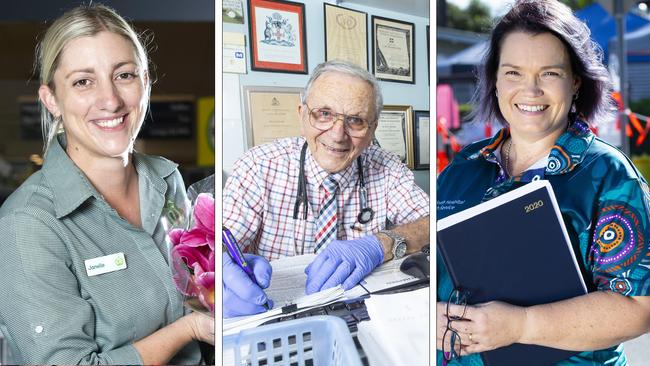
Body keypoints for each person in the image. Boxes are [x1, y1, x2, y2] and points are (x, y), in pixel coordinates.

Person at [436, 0, 650, 364]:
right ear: (495, 80)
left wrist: (522, 325)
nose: (530, 90)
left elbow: (639, 306)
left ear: (576, 81)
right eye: (514, 73)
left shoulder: (609, 175)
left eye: (549, 73)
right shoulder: (463, 166)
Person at [0, 5, 213, 365]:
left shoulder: (168, 182)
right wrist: (189, 329)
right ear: (51, 99)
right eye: (83, 81)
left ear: (145, 81)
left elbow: (194, 287)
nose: (110, 100)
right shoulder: (28, 224)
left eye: (124, 75)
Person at [222, 60, 430, 318]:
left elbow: (434, 223)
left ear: (372, 128)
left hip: (363, 315)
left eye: (355, 120)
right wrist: (220, 272)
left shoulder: (388, 167)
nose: (337, 134)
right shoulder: (256, 166)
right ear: (302, 115)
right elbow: (218, 246)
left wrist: (382, 243)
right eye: (324, 114)